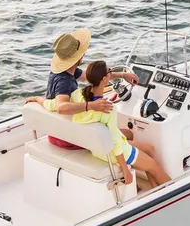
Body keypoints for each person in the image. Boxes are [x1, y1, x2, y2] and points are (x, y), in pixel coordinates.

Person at [25, 28, 137, 148]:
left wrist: (121, 75)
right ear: (79, 56)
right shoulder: (65, 81)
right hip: (69, 138)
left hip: (55, 134)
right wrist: (91, 106)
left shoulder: (65, 72)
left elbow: (92, 78)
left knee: (121, 134)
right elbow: (61, 107)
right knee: (128, 134)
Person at [72, 60, 171, 188]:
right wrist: (125, 169)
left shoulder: (77, 95)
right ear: (104, 79)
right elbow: (116, 143)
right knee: (155, 167)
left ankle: (155, 189)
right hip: (119, 151)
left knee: (150, 149)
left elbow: (53, 105)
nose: (111, 73)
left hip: (99, 149)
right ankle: (178, 194)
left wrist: (37, 99)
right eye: (110, 71)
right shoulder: (108, 108)